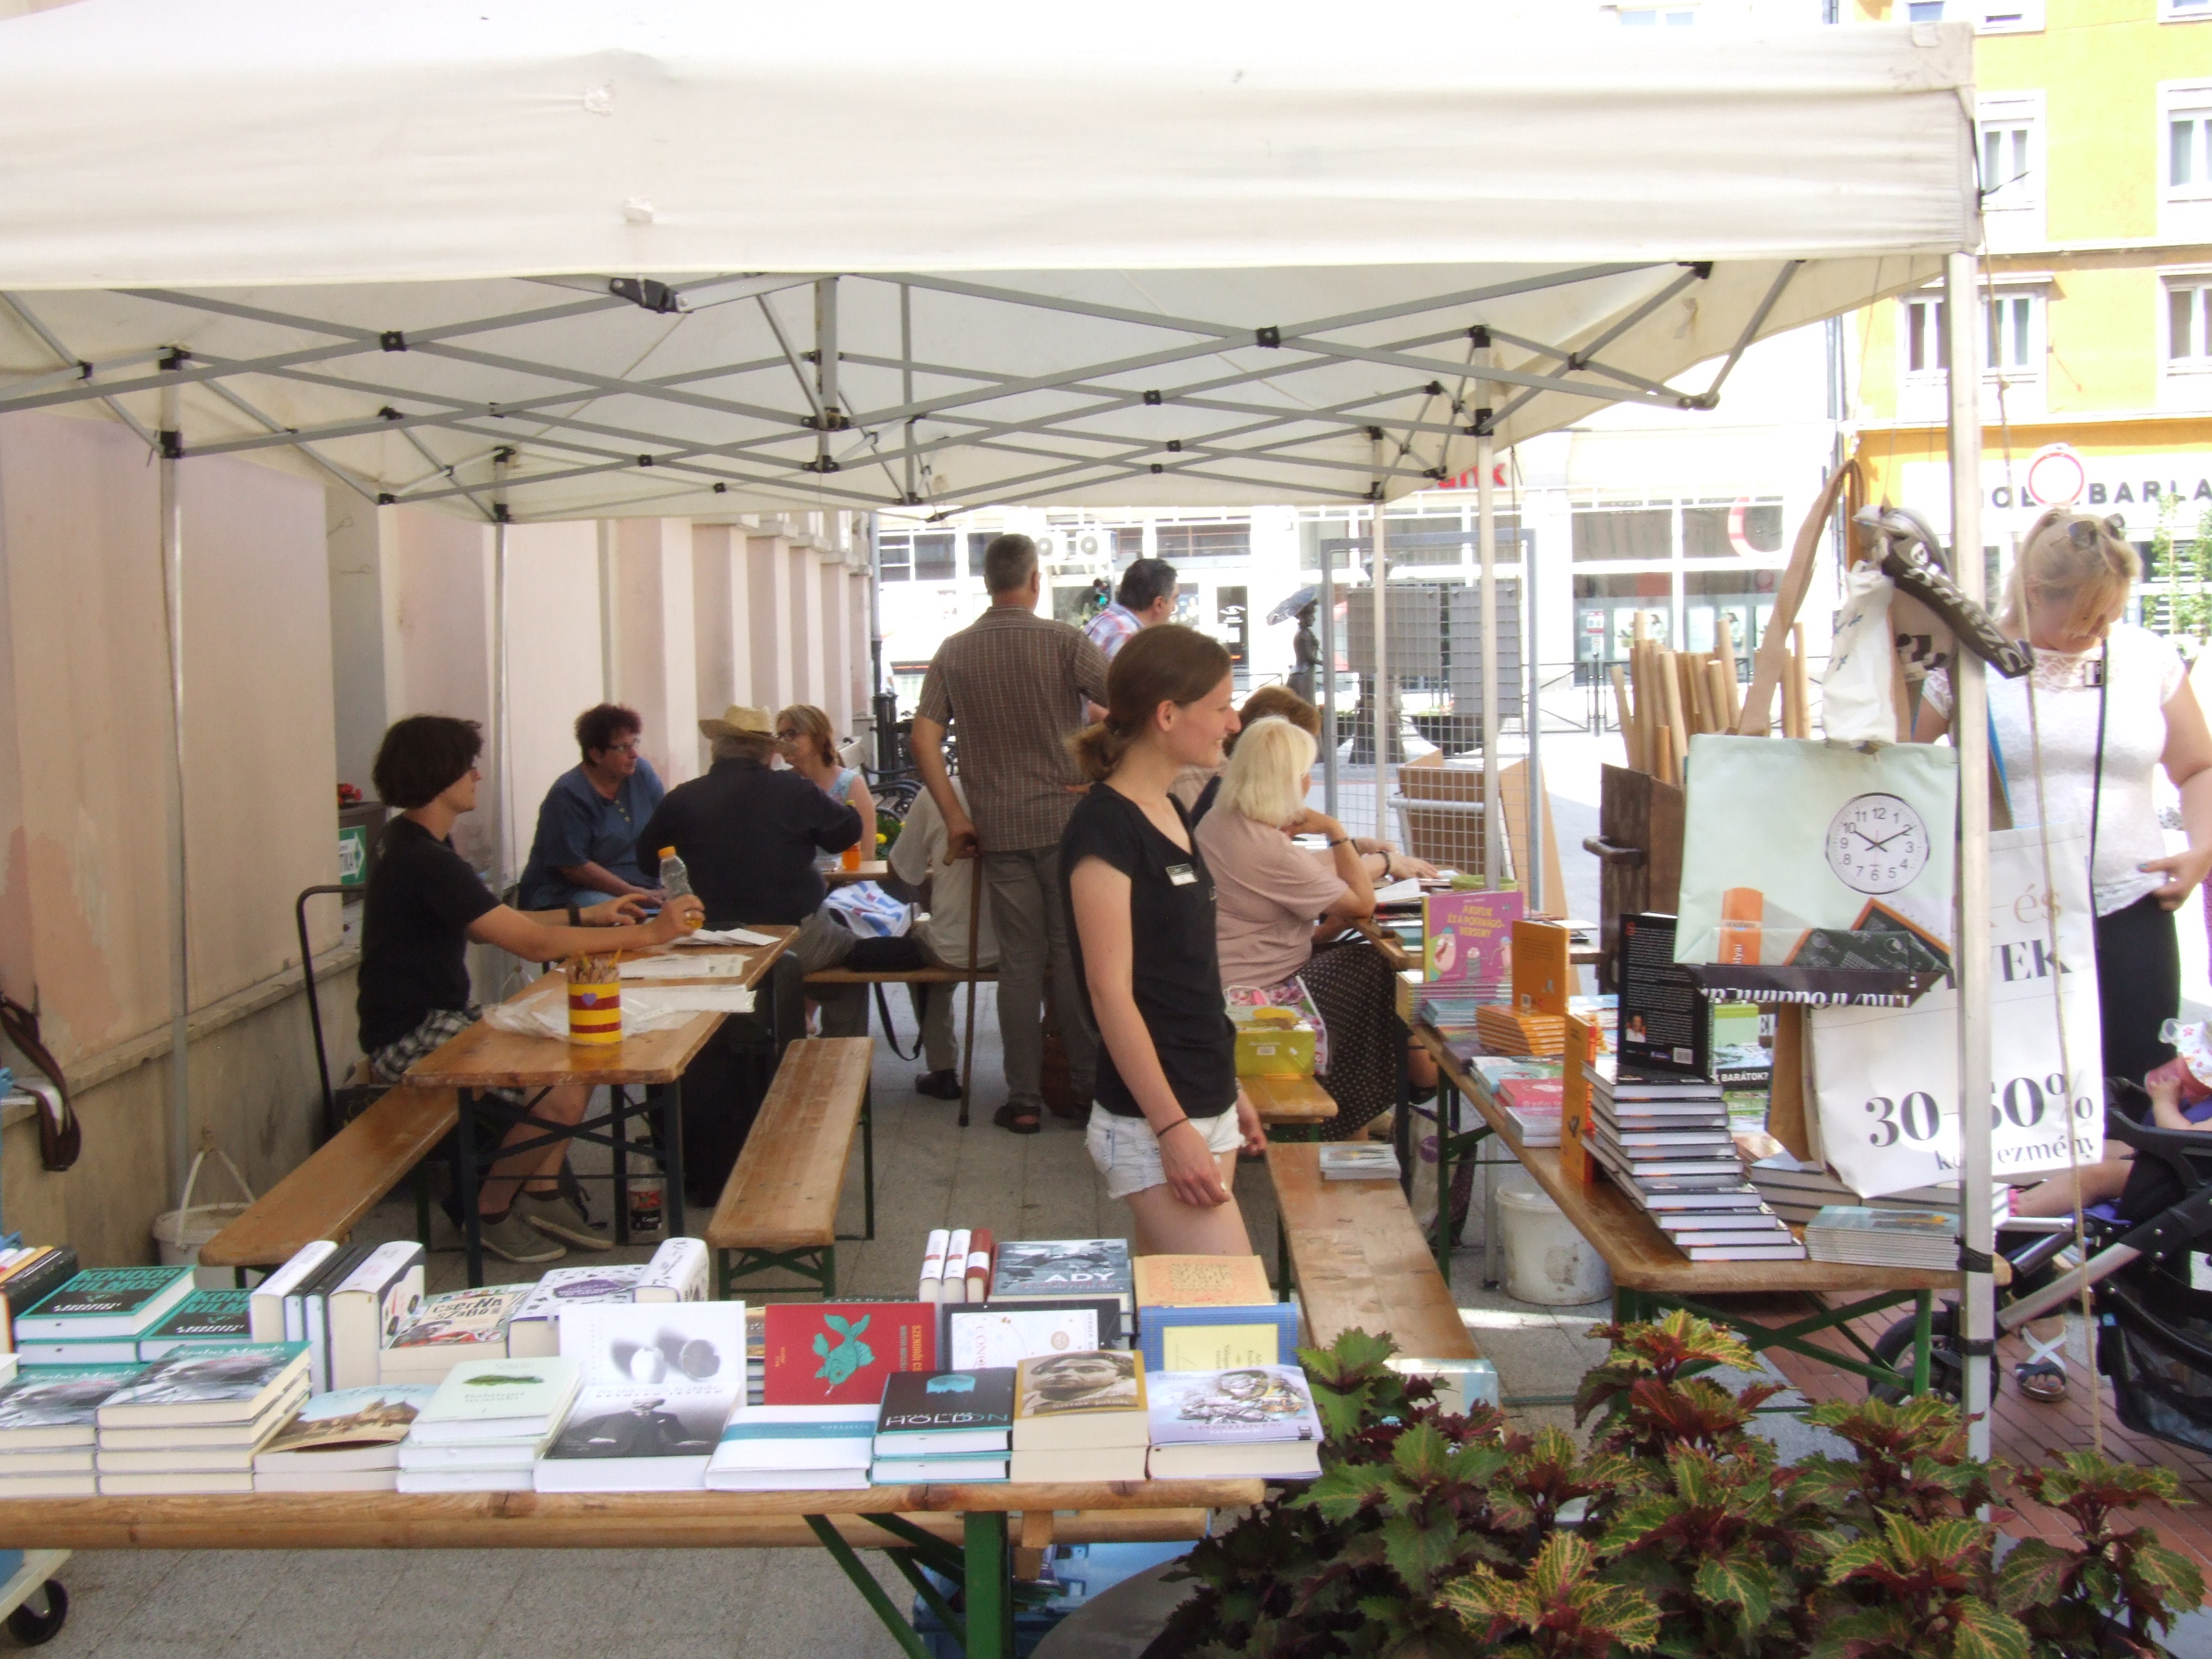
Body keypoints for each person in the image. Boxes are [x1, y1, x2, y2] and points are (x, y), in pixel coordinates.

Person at [356, 715, 703, 1264]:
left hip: (434, 1015)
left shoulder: (415, 842)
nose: (477, 776)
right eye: (467, 766)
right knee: (559, 1086)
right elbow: (531, 945)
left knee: (581, 1054)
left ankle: (541, 1193)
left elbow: (488, 924)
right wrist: (651, 933)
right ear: (439, 773)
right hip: (409, 1034)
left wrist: (589, 918)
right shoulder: (423, 859)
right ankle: (489, 1212)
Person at [1915, 509, 2212, 1086]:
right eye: (2083, 618)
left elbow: (2198, 767)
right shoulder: (1968, 663)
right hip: (2009, 914)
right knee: (2028, 1084)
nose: (2099, 632)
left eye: (2112, 615)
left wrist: (2202, 849)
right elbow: (1906, 774)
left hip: (2135, 901)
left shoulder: (2148, 658)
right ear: (2033, 593)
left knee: (2141, 1084)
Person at [1063, 624, 1265, 1255]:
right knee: (1230, 1303)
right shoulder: (1105, 828)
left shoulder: (1171, 809)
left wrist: (1230, 1088)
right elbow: (1110, 995)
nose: (1233, 723)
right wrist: (1172, 1127)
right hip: (1155, 1118)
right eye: (1221, 706)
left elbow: (1185, 974)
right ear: (1168, 714)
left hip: (1203, 1094)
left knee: (1174, 1304)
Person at [913, 534, 1111, 1135]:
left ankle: (1023, 1100)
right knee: (1070, 957)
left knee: (1020, 964)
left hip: (998, 829)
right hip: (1066, 823)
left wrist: (956, 817)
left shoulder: (954, 651)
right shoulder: (1065, 641)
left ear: (987, 583)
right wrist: (1102, 777)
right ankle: (1084, 1093)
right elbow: (1128, 705)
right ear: (1035, 580)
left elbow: (923, 738)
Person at [634, 705, 869, 1200]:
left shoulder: (683, 797)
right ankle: (840, 1078)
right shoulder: (792, 790)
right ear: (767, 752)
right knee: (852, 957)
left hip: (706, 942)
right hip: (789, 938)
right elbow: (847, 832)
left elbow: (643, 858)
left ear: (717, 750)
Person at [1195, 715, 1428, 1142]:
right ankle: (1379, 1098)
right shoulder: (1267, 846)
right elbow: (1361, 903)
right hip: (1259, 991)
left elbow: (1303, 871)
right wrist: (1337, 833)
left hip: (1229, 977)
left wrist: (1357, 854)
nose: (1309, 781)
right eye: (1305, 772)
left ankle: (1363, 1112)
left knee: (1354, 963)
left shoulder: (1221, 820)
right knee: (1373, 968)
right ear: (1289, 781)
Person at [1185, 690, 1440, 895]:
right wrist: (1384, 862)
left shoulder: (1227, 802)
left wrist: (1355, 848)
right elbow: (1312, 882)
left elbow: (1293, 870)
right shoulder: (1239, 815)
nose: (1307, 779)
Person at [887, 778, 999, 1100]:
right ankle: (1053, 1062)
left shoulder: (938, 793)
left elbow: (901, 870)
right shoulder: (1032, 786)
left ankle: (943, 1070)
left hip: (957, 948)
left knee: (920, 944)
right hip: (1027, 944)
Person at [516, 703, 667, 910]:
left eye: (635, 743)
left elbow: (667, 825)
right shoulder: (568, 795)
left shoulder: (641, 773)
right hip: (569, 892)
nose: (634, 754)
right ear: (596, 755)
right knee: (625, 914)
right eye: (623, 748)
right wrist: (635, 894)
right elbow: (574, 867)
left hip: (641, 886)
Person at [776, 703, 876, 837]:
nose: (783, 742)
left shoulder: (851, 785)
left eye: (791, 734)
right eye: (780, 735)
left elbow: (865, 844)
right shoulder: (783, 785)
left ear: (819, 737)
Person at [1083, 557, 1180, 661]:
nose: (1174, 608)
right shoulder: (1126, 634)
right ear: (1159, 604)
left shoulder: (1106, 619)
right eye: (1174, 599)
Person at [1288, 602, 1321, 704]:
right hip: (1304, 673)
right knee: (1307, 703)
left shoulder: (1305, 633)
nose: (1314, 619)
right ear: (1304, 617)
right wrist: (1325, 663)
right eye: (1311, 615)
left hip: (1303, 672)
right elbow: (1309, 658)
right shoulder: (1303, 634)